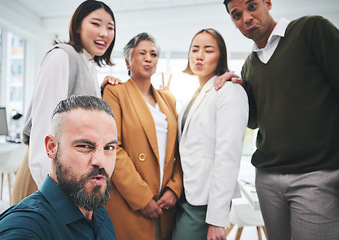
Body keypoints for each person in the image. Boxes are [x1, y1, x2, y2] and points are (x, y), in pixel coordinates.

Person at [222, 0, 339, 239]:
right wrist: (238, 91)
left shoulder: (311, 30)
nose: (246, 18)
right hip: (267, 179)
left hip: (317, 175)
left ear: (267, 3)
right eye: (236, 15)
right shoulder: (249, 66)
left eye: (252, 6)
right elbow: (254, 121)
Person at [12, 0, 117, 205]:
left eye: (110, 27)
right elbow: (44, 126)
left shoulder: (88, 66)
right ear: (77, 26)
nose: (104, 33)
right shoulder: (61, 55)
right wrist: (50, 193)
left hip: (67, 179)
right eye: (96, 24)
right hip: (44, 177)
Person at [0, 95, 118, 239]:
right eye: (85, 146)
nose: (101, 161)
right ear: (52, 147)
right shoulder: (24, 228)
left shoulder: (100, 215)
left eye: (109, 147)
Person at [102, 32, 183, 240]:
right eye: (142, 53)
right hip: (130, 199)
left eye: (154, 54)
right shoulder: (115, 92)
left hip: (165, 200)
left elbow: (179, 148)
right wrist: (141, 198)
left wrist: (175, 187)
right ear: (129, 60)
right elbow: (113, 148)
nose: (149, 58)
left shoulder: (168, 99)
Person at [171, 28, 248, 240]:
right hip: (186, 195)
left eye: (208, 50)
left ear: (221, 56)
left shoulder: (230, 91)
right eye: (195, 49)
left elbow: (228, 156)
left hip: (206, 203)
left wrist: (217, 220)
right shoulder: (194, 96)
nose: (199, 55)